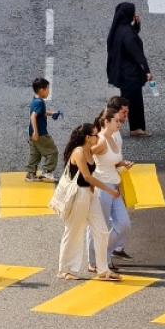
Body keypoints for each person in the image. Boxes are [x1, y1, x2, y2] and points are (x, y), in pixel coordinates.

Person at [56, 120, 119, 281]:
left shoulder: (90, 151)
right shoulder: (78, 152)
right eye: (95, 135)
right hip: (79, 195)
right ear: (87, 137)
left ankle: (103, 270)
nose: (97, 136)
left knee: (102, 230)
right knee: (73, 231)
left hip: (90, 195)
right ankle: (65, 269)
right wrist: (109, 190)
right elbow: (87, 177)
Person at [89, 100, 134, 261]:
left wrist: (122, 163)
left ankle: (105, 254)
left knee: (124, 224)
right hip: (103, 187)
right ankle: (96, 261)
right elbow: (85, 155)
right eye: (117, 119)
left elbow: (112, 160)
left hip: (113, 185)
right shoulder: (101, 140)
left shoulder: (114, 136)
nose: (121, 121)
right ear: (107, 120)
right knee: (99, 226)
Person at [106, 2, 151, 135]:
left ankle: (132, 127)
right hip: (130, 74)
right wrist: (147, 70)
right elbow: (137, 53)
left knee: (128, 100)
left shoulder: (119, 29)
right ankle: (134, 128)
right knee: (133, 102)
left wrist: (136, 25)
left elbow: (131, 36)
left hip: (121, 72)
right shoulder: (127, 33)